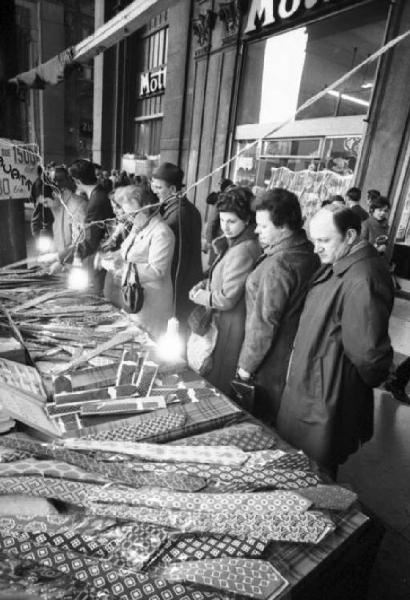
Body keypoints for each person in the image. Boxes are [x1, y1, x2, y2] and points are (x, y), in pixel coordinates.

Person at [276, 205, 394, 477]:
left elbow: (369, 356)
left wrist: (328, 377)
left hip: (326, 396)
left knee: (317, 476)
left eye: (324, 240)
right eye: (314, 239)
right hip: (314, 389)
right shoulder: (342, 266)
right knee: (301, 470)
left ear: (350, 235)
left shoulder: (362, 277)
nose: (316, 248)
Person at [236, 188, 320, 423]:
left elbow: (264, 322)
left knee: (260, 422)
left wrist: (245, 366)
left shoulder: (280, 264)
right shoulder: (307, 253)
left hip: (268, 361)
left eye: (263, 226)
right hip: (290, 357)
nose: (256, 230)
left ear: (283, 226)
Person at [189, 187, 260, 396]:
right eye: (222, 220)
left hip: (229, 322)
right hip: (223, 319)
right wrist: (205, 284)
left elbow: (228, 298)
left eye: (231, 221)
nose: (225, 227)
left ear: (246, 220)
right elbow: (222, 278)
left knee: (217, 374)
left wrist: (199, 296)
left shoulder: (243, 250)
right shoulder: (235, 243)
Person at [100, 184, 175, 339]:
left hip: (151, 302)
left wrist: (123, 268)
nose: (129, 219)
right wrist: (114, 256)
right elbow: (127, 251)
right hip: (133, 295)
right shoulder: (139, 227)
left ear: (146, 207)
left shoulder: (161, 232)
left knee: (147, 342)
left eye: (132, 214)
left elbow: (157, 270)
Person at [151, 162, 202, 329]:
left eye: (159, 188)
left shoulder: (178, 215)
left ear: (173, 190)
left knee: (175, 329)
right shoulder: (178, 208)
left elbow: (176, 260)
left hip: (180, 284)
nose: (154, 191)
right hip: (185, 281)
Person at [68, 159, 115, 293]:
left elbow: (91, 241)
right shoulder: (100, 192)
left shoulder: (96, 201)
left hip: (99, 258)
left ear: (77, 181)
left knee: (96, 292)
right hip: (101, 256)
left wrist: (65, 256)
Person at [38, 167, 87, 272]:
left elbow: (80, 242)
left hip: (74, 264)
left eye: (46, 202)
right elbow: (57, 236)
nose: (45, 206)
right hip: (61, 261)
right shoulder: (55, 205)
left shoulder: (77, 205)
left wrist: (59, 259)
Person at [205, 178, 234, 267]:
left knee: (216, 261)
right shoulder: (225, 198)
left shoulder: (223, 199)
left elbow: (212, 222)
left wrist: (209, 240)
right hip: (221, 235)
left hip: (220, 235)